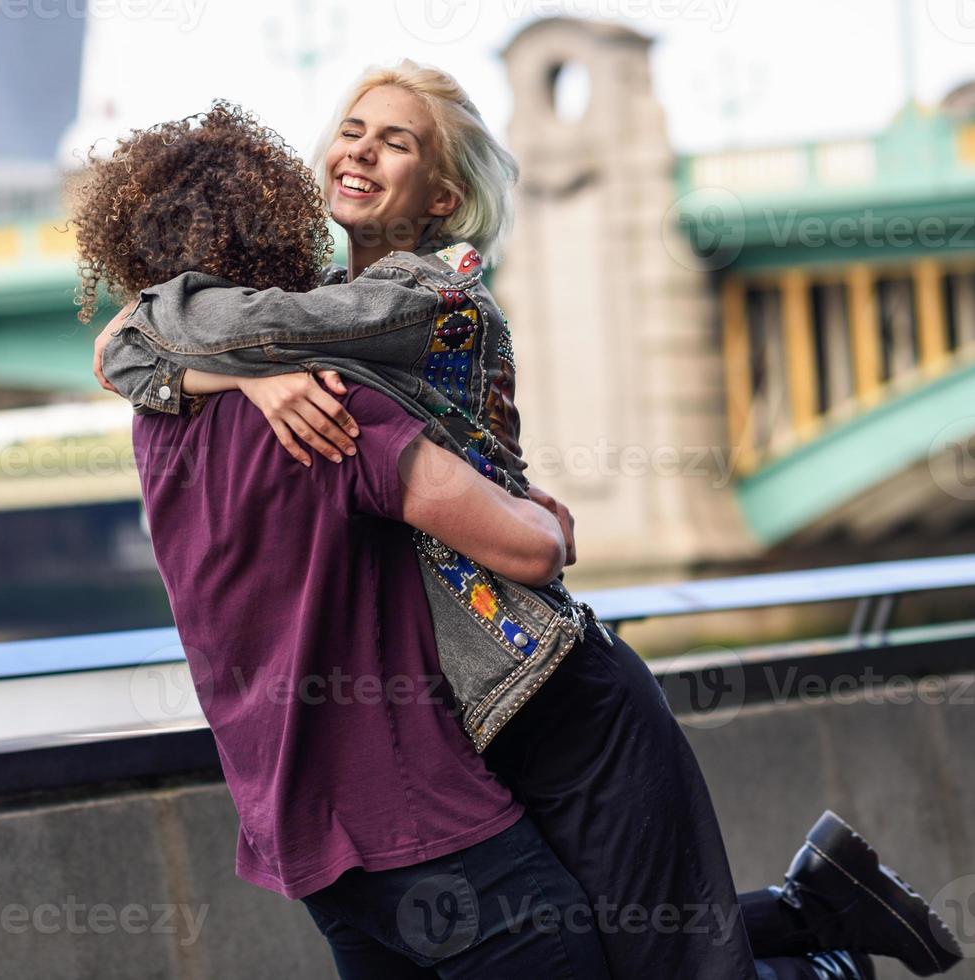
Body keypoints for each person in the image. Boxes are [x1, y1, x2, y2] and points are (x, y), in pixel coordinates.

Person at [77, 84, 961, 980]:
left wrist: (222, 361)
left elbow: (155, 334)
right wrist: (242, 379)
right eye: (349, 133)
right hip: (480, 708)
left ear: (442, 200)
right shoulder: (305, 351)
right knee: (636, 950)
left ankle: (823, 960)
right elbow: (145, 340)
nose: (357, 153)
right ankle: (810, 909)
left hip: (552, 687)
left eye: (394, 143)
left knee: (682, 968)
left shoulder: (418, 299)